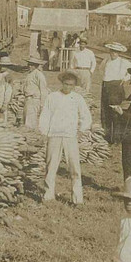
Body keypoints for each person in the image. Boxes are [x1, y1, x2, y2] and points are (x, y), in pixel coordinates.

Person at [39, 71, 92, 205]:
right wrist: (44, 132)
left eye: (71, 85)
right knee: (51, 167)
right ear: (62, 83)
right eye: (66, 84)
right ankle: (48, 196)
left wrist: (82, 130)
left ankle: (77, 199)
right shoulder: (53, 97)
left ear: (74, 86)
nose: (68, 87)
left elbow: (86, 116)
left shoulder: (78, 98)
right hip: (54, 135)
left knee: (74, 168)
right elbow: (45, 115)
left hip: (70, 136)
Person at [100, 42, 131, 143]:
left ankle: (116, 138)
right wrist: (106, 79)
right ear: (109, 51)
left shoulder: (123, 62)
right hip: (106, 87)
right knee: (105, 112)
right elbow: (101, 69)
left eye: (116, 51)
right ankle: (107, 136)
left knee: (116, 112)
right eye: (112, 51)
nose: (113, 53)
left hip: (116, 88)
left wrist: (125, 78)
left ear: (119, 53)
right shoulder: (106, 60)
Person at [22, 56, 49, 130]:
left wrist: (42, 104)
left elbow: (43, 90)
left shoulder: (39, 75)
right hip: (28, 99)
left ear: (36, 65)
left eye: (32, 64)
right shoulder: (29, 74)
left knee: (31, 122)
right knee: (26, 120)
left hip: (34, 100)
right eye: (29, 64)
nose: (29, 66)